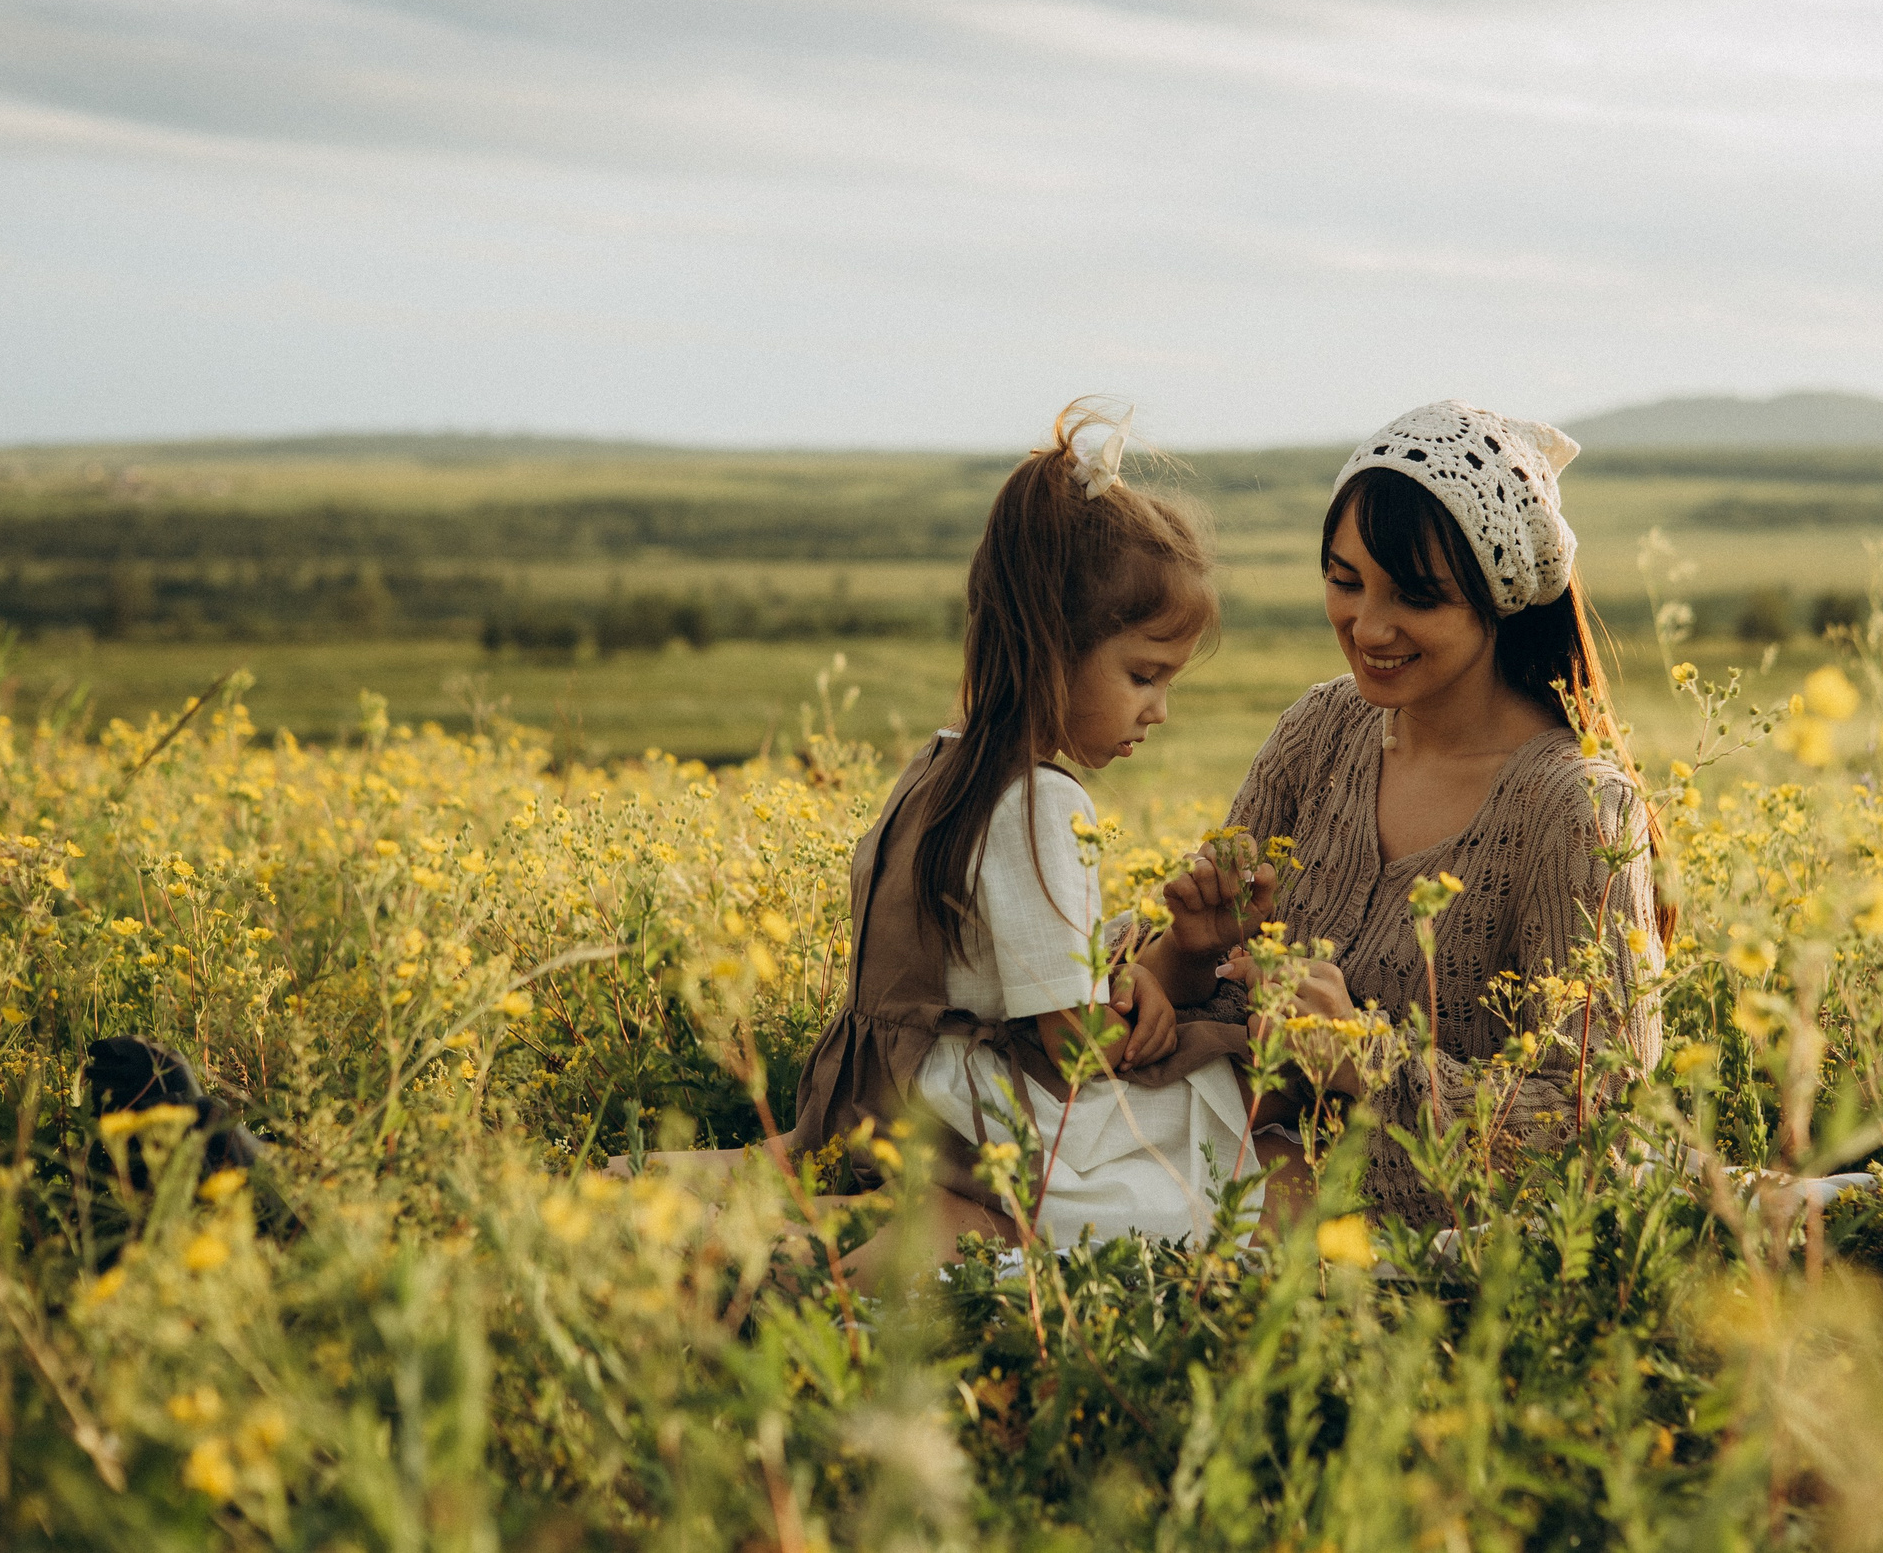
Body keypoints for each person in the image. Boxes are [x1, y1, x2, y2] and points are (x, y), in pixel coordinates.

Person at [644, 402, 1259, 1282]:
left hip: (869, 1087)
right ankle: (820, 1257)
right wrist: (1133, 1014)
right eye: (1142, 675)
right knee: (1195, 1140)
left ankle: (631, 1184)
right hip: (955, 1114)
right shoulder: (1045, 805)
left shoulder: (942, 767)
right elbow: (1071, 1046)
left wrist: (1123, 975)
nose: (1159, 708)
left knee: (769, 1167)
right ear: (1053, 648)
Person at [1136, 400, 1667, 1231]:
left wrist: (1362, 1053)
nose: (1367, 625)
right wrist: (1188, 952)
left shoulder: (1575, 806)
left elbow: (1598, 1119)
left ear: (1499, 600)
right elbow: (1190, 1001)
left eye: (1414, 596)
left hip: (1409, 1230)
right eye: (1344, 581)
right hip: (1227, 1153)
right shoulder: (1319, 730)